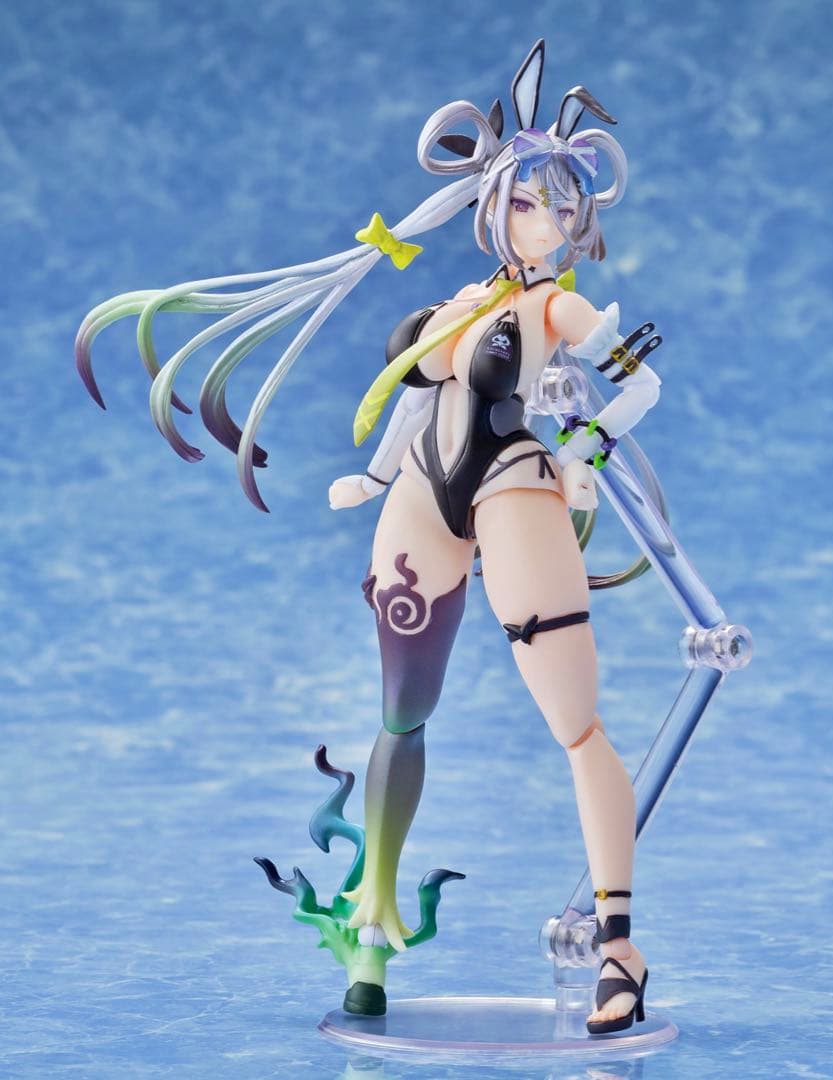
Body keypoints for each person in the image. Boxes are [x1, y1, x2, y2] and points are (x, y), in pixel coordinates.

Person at [76, 40, 661, 1035]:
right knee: (399, 716)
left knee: (575, 723)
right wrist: (380, 476)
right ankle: (371, 926)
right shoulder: (461, 303)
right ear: (494, 204)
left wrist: (588, 447)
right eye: (530, 201)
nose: (549, 223)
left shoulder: (556, 307)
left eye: (564, 207)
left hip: (513, 487)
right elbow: (415, 394)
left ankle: (618, 948)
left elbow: (641, 383)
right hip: (422, 494)